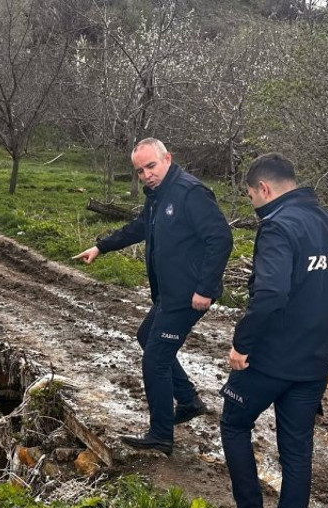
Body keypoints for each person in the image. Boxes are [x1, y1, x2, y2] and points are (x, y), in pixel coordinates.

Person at [217, 152, 328, 508]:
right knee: (297, 453)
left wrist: (242, 345)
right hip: (313, 361)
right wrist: (315, 319)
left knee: (234, 423)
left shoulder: (278, 227)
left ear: (263, 188)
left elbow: (271, 295)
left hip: (269, 360)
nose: (253, 205)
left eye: (250, 197)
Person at [73, 138, 232, 456]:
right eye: (139, 170)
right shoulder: (158, 196)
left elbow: (221, 238)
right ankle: (188, 400)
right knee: (147, 336)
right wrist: (101, 246)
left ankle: (161, 435)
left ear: (167, 159)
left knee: (155, 359)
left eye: (151, 166)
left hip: (189, 294)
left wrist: (205, 288)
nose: (145, 174)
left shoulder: (190, 192)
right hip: (170, 292)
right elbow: (140, 227)